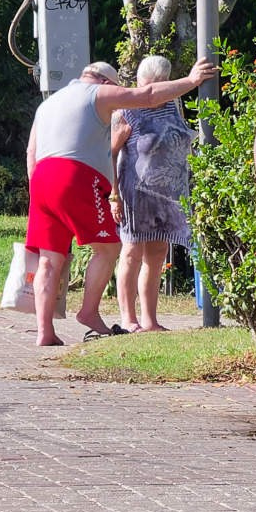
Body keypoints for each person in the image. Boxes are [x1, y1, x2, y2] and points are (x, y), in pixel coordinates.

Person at [25, 58, 213, 347]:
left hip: (41, 179)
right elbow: (147, 96)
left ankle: (44, 332)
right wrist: (191, 81)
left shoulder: (49, 103)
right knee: (110, 247)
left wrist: (39, 191)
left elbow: (31, 152)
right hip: (74, 175)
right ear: (106, 82)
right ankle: (88, 312)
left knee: (50, 259)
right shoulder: (98, 93)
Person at [111, 54, 197, 334]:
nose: (153, 92)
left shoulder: (173, 105)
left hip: (166, 196)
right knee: (132, 252)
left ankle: (150, 319)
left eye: (160, 85)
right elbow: (109, 154)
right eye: (149, 85)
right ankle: (128, 318)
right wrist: (114, 195)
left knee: (158, 253)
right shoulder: (127, 111)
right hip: (135, 194)